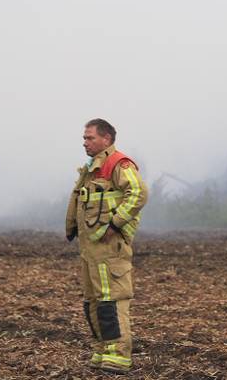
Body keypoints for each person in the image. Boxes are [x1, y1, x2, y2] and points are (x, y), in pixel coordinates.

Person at [64, 119, 149, 374]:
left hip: (110, 248)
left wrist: (115, 224)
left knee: (111, 300)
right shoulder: (92, 169)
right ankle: (103, 350)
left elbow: (138, 193)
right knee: (92, 301)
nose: (84, 142)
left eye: (90, 138)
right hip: (90, 248)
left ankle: (118, 355)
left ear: (107, 139)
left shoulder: (118, 164)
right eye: (84, 137)